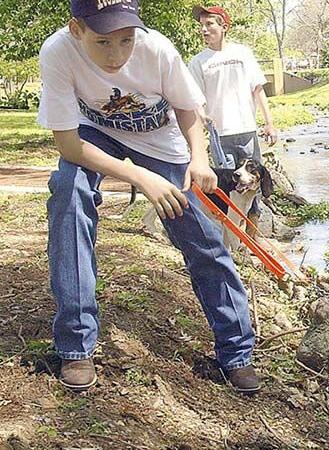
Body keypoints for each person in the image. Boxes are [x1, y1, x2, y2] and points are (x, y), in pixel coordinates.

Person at [38, 0, 260, 394]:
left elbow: (188, 108)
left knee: (200, 236)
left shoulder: (156, 47)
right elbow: (69, 145)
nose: (116, 55)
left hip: (161, 142)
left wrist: (199, 159)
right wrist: (140, 178)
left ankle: (237, 350)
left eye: (125, 40)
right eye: (103, 42)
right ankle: (76, 345)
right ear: (77, 29)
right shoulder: (57, 52)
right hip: (92, 135)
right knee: (69, 192)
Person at [188, 5, 277, 235]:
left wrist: (269, 123)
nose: (204, 30)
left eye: (210, 24)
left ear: (224, 27)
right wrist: (201, 114)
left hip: (247, 129)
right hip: (220, 135)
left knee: (253, 185)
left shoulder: (242, 53)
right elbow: (194, 98)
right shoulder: (198, 62)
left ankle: (253, 239)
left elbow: (258, 89)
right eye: (202, 26)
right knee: (228, 188)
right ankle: (231, 238)